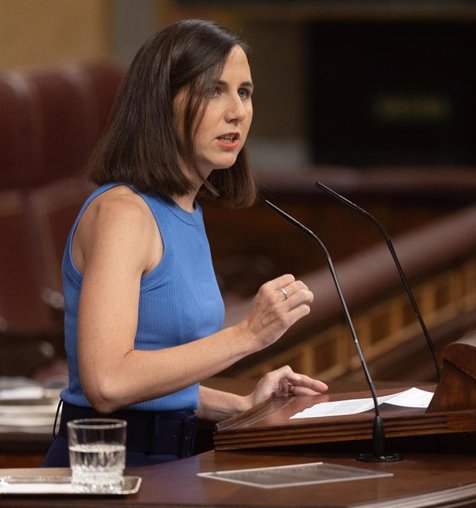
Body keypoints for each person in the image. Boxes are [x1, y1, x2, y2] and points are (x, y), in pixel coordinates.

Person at [42, 19, 328, 467]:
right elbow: (107, 384)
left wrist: (244, 403)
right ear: (162, 105)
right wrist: (247, 336)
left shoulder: (188, 210)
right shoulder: (124, 214)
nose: (237, 111)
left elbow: (153, 386)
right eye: (215, 90)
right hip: (108, 467)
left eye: (245, 92)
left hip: (175, 460)